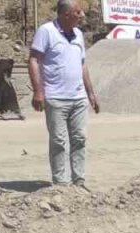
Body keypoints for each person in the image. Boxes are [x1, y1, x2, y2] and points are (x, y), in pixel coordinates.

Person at [29, 0, 100, 189]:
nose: (82, 15)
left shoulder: (78, 34)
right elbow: (34, 60)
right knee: (59, 142)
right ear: (66, 14)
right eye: (78, 12)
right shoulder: (46, 31)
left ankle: (79, 182)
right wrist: (38, 91)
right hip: (55, 98)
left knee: (79, 139)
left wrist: (91, 93)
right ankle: (61, 184)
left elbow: (82, 64)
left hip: (78, 98)